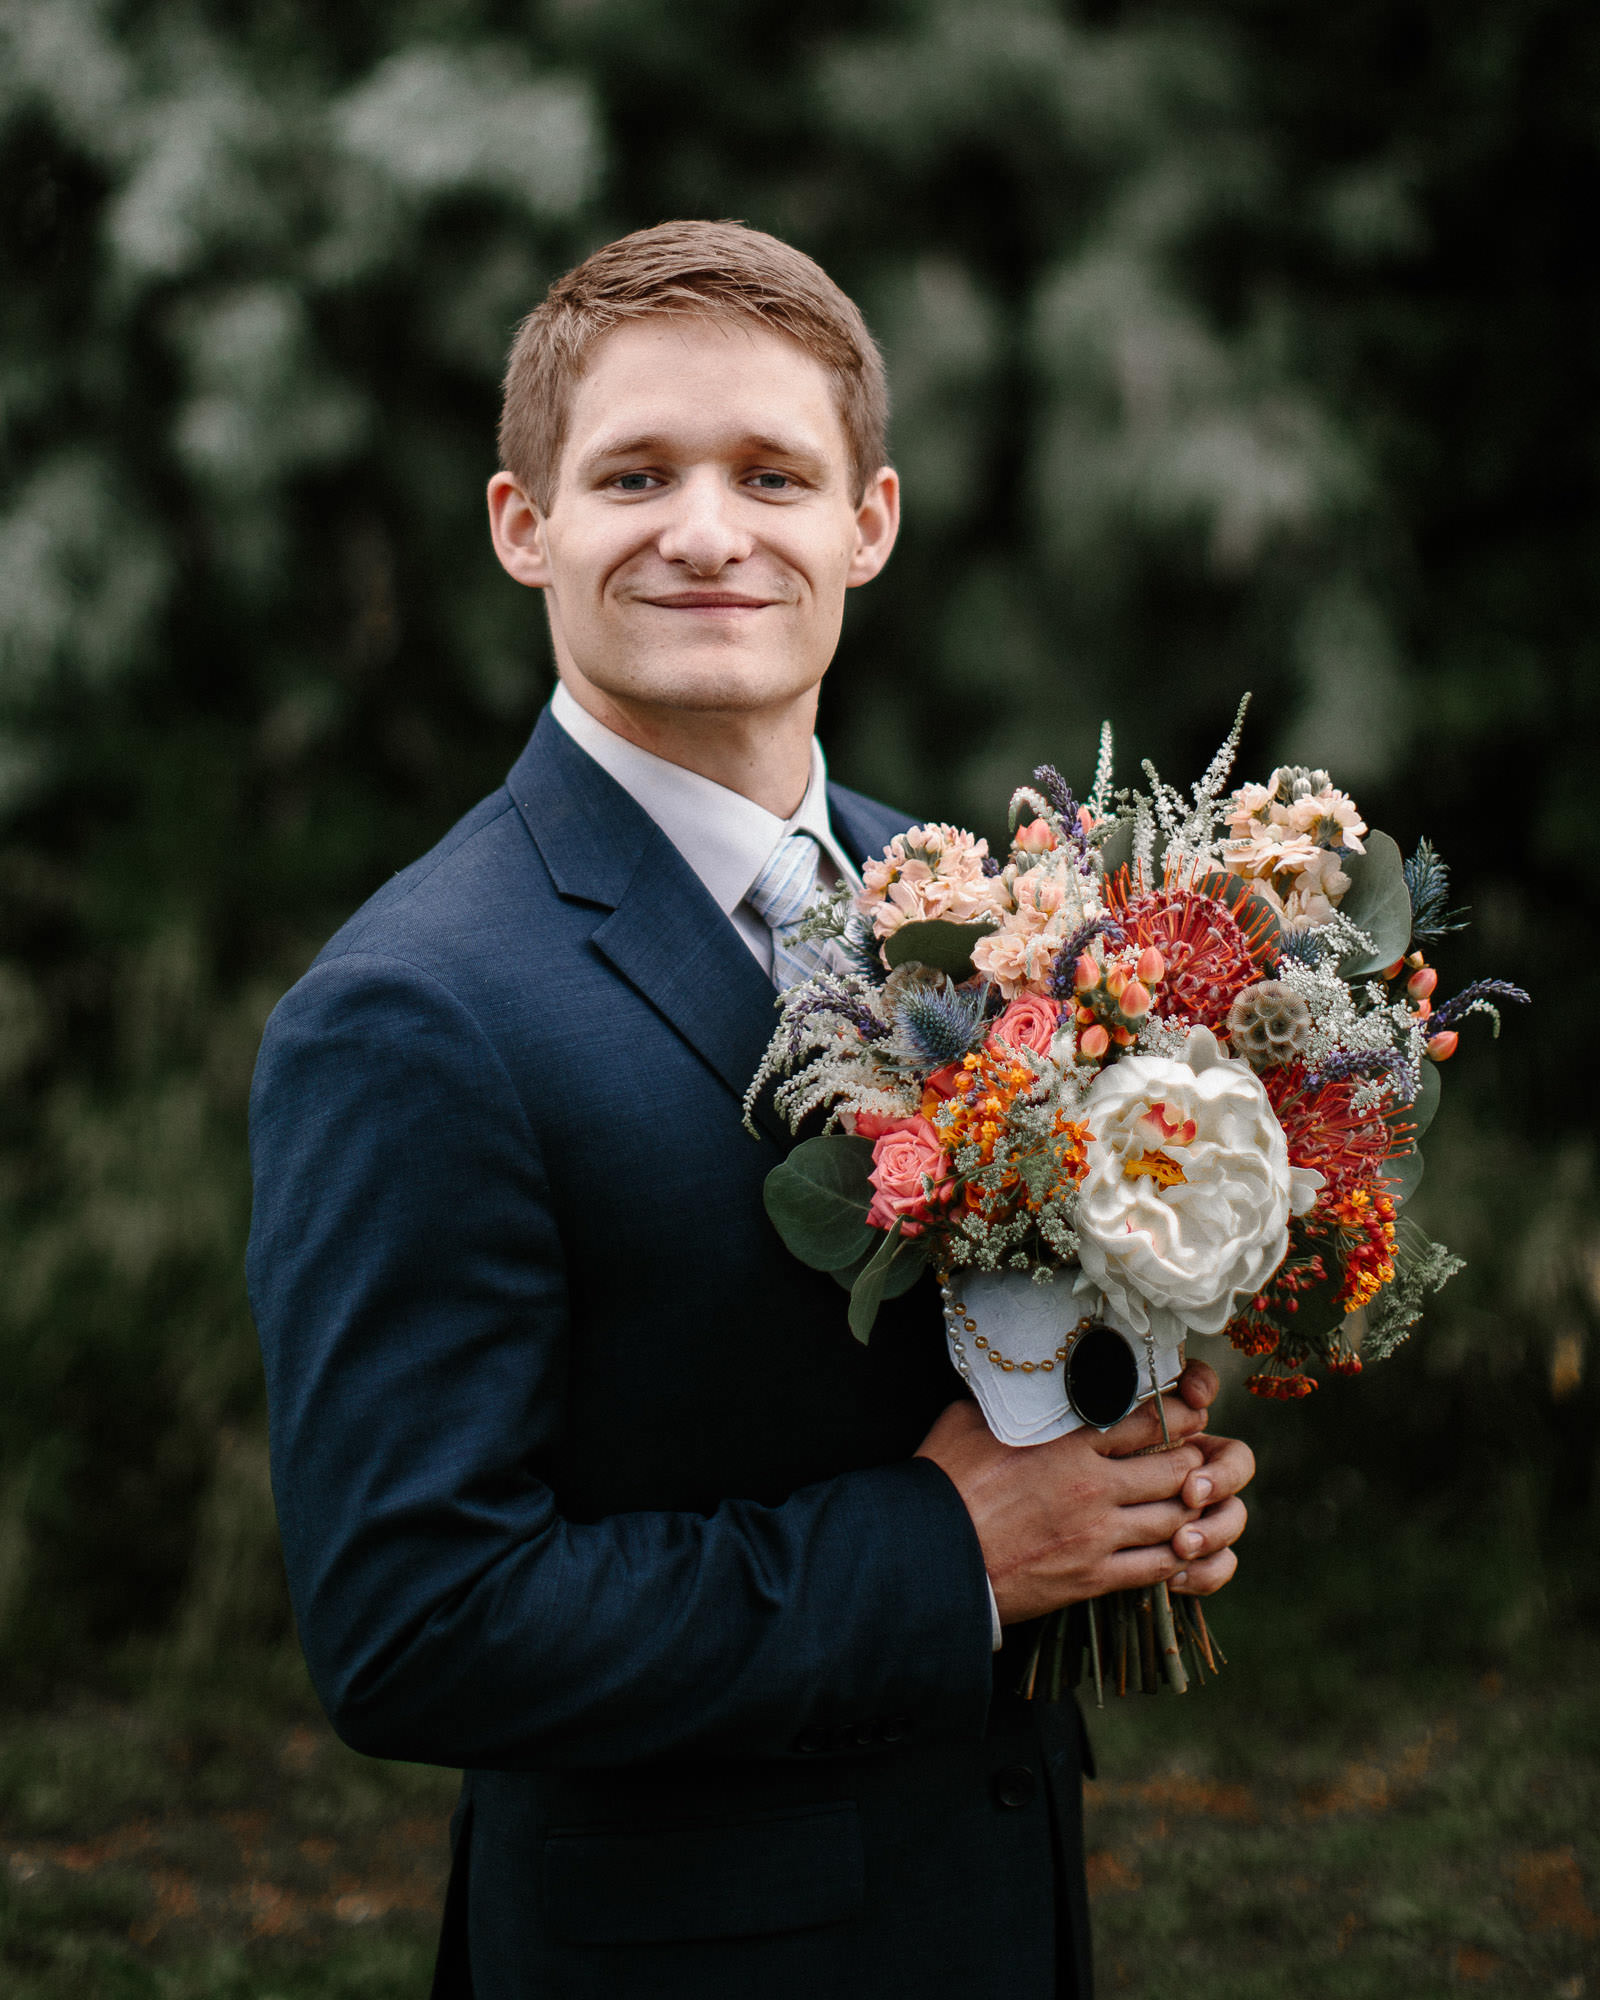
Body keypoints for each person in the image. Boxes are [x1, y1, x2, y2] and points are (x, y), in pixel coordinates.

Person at [247, 220, 1253, 2000]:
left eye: (771, 474)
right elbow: (412, 1624)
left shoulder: (958, 899)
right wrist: (940, 1559)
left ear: (865, 523)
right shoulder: (410, 1013)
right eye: (634, 472)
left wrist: (1125, 1463)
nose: (707, 530)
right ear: (522, 526)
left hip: (997, 1912)